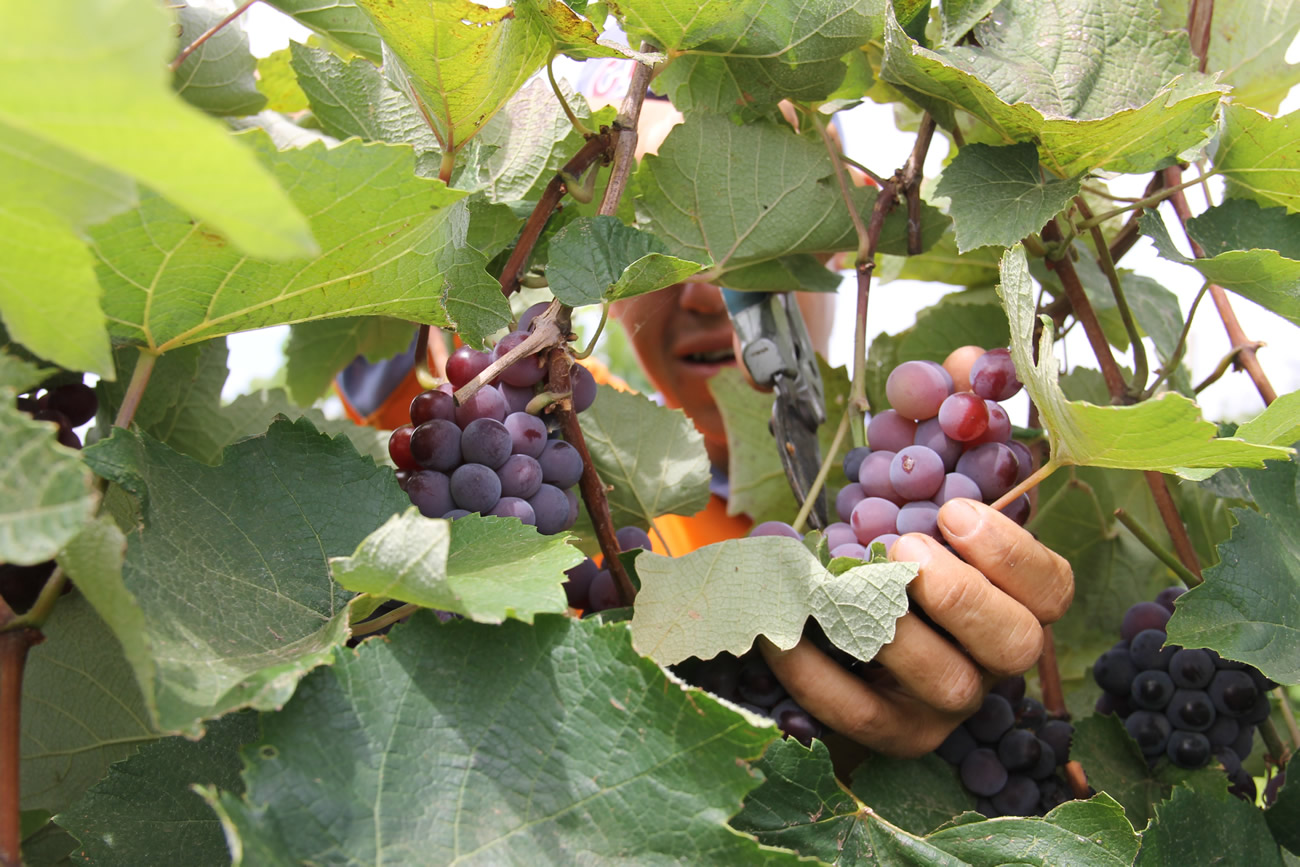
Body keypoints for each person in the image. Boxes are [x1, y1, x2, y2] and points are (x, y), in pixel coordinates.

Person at [339, 63, 1076, 758]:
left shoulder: (896, 477)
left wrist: (881, 759)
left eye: (749, 242)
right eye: (651, 244)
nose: (701, 292)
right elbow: (387, 310)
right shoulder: (563, 434)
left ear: (839, 228)